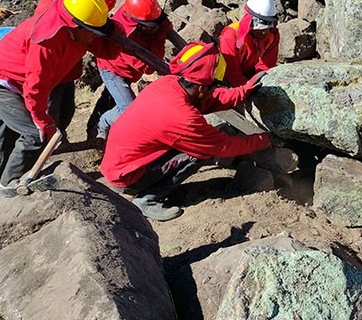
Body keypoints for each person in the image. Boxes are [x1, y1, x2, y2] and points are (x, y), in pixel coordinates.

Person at [0, 0, 121, 201]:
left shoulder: (77, 20)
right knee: (34, 134)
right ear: (74, 25)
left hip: (11, 77)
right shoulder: (47, 41)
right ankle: (8, 190)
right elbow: (36, 86)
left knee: (3, 135)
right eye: (91, 31)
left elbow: (94, 12)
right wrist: (41, 120)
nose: (95, 36)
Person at [100, 42, 272, 221]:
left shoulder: (169, 84)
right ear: (201, 87)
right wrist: (263, 140)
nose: (215, 91)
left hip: (120, 163)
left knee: (204, 139)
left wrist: (242, 93)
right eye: (213, 87)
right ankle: (147, 199)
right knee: (200, 153)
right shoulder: (181, 116)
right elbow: (221, 146)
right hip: (127, 176)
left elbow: (208, 100)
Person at [27, 0, 120, 138]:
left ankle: (59, 138)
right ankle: (50, 145)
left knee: (66, 111)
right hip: (53, 76)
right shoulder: (52, 7)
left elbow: (88, 17)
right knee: (52, 112)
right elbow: (85, 21)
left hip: (66, 72)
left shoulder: (62, 3)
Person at [94, 0, 171, 142]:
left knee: (110, 99)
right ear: (136, 23)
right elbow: (149, 67)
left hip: (124, 71)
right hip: (113, 71)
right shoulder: (124, 37)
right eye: (148, 26)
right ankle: (102, 125)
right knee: (128, 109)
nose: (152, 28)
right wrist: (160, 34)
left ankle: (98, 129)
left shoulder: (135, 11)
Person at [219, 0, 280, 88]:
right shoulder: (231, 35)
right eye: (260, 31)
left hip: (251, 75)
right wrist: (246, 90)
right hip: (227, 79)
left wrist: (261, 83)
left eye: (266, 29)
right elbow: (231, 71)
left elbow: (267, 65)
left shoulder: (272, 35)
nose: (264, 33)